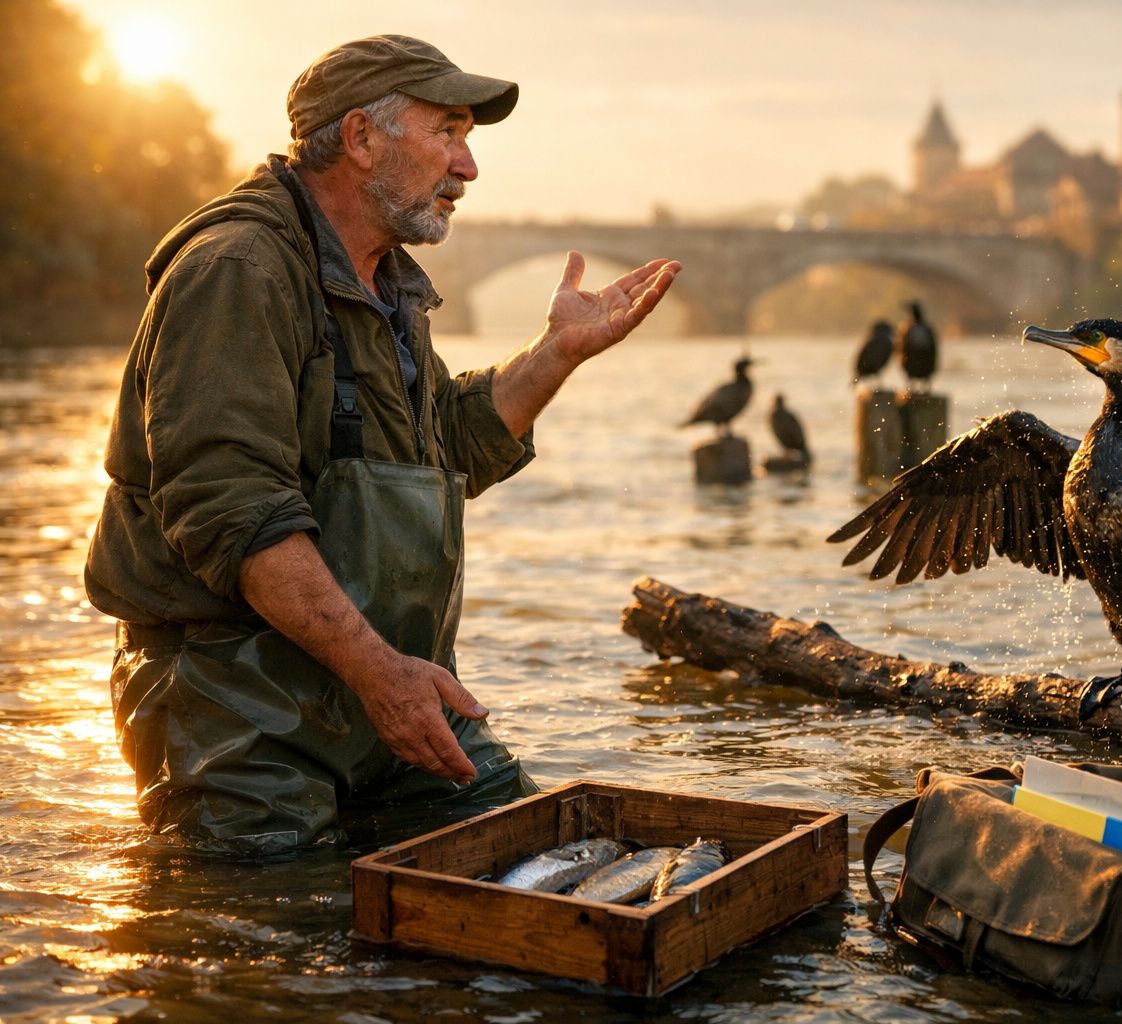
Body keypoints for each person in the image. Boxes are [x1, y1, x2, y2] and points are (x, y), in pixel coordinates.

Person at [83, 35, 681, 856]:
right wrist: (382, 678)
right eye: (449, 131)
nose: (468, 166)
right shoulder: (237, 269)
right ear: (361, 139)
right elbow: (233, 511)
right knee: (268, 940)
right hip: (234, 707)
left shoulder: (385, 280)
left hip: (376, 688)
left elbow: (450, 443)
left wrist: (556, 354)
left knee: (541, 849)